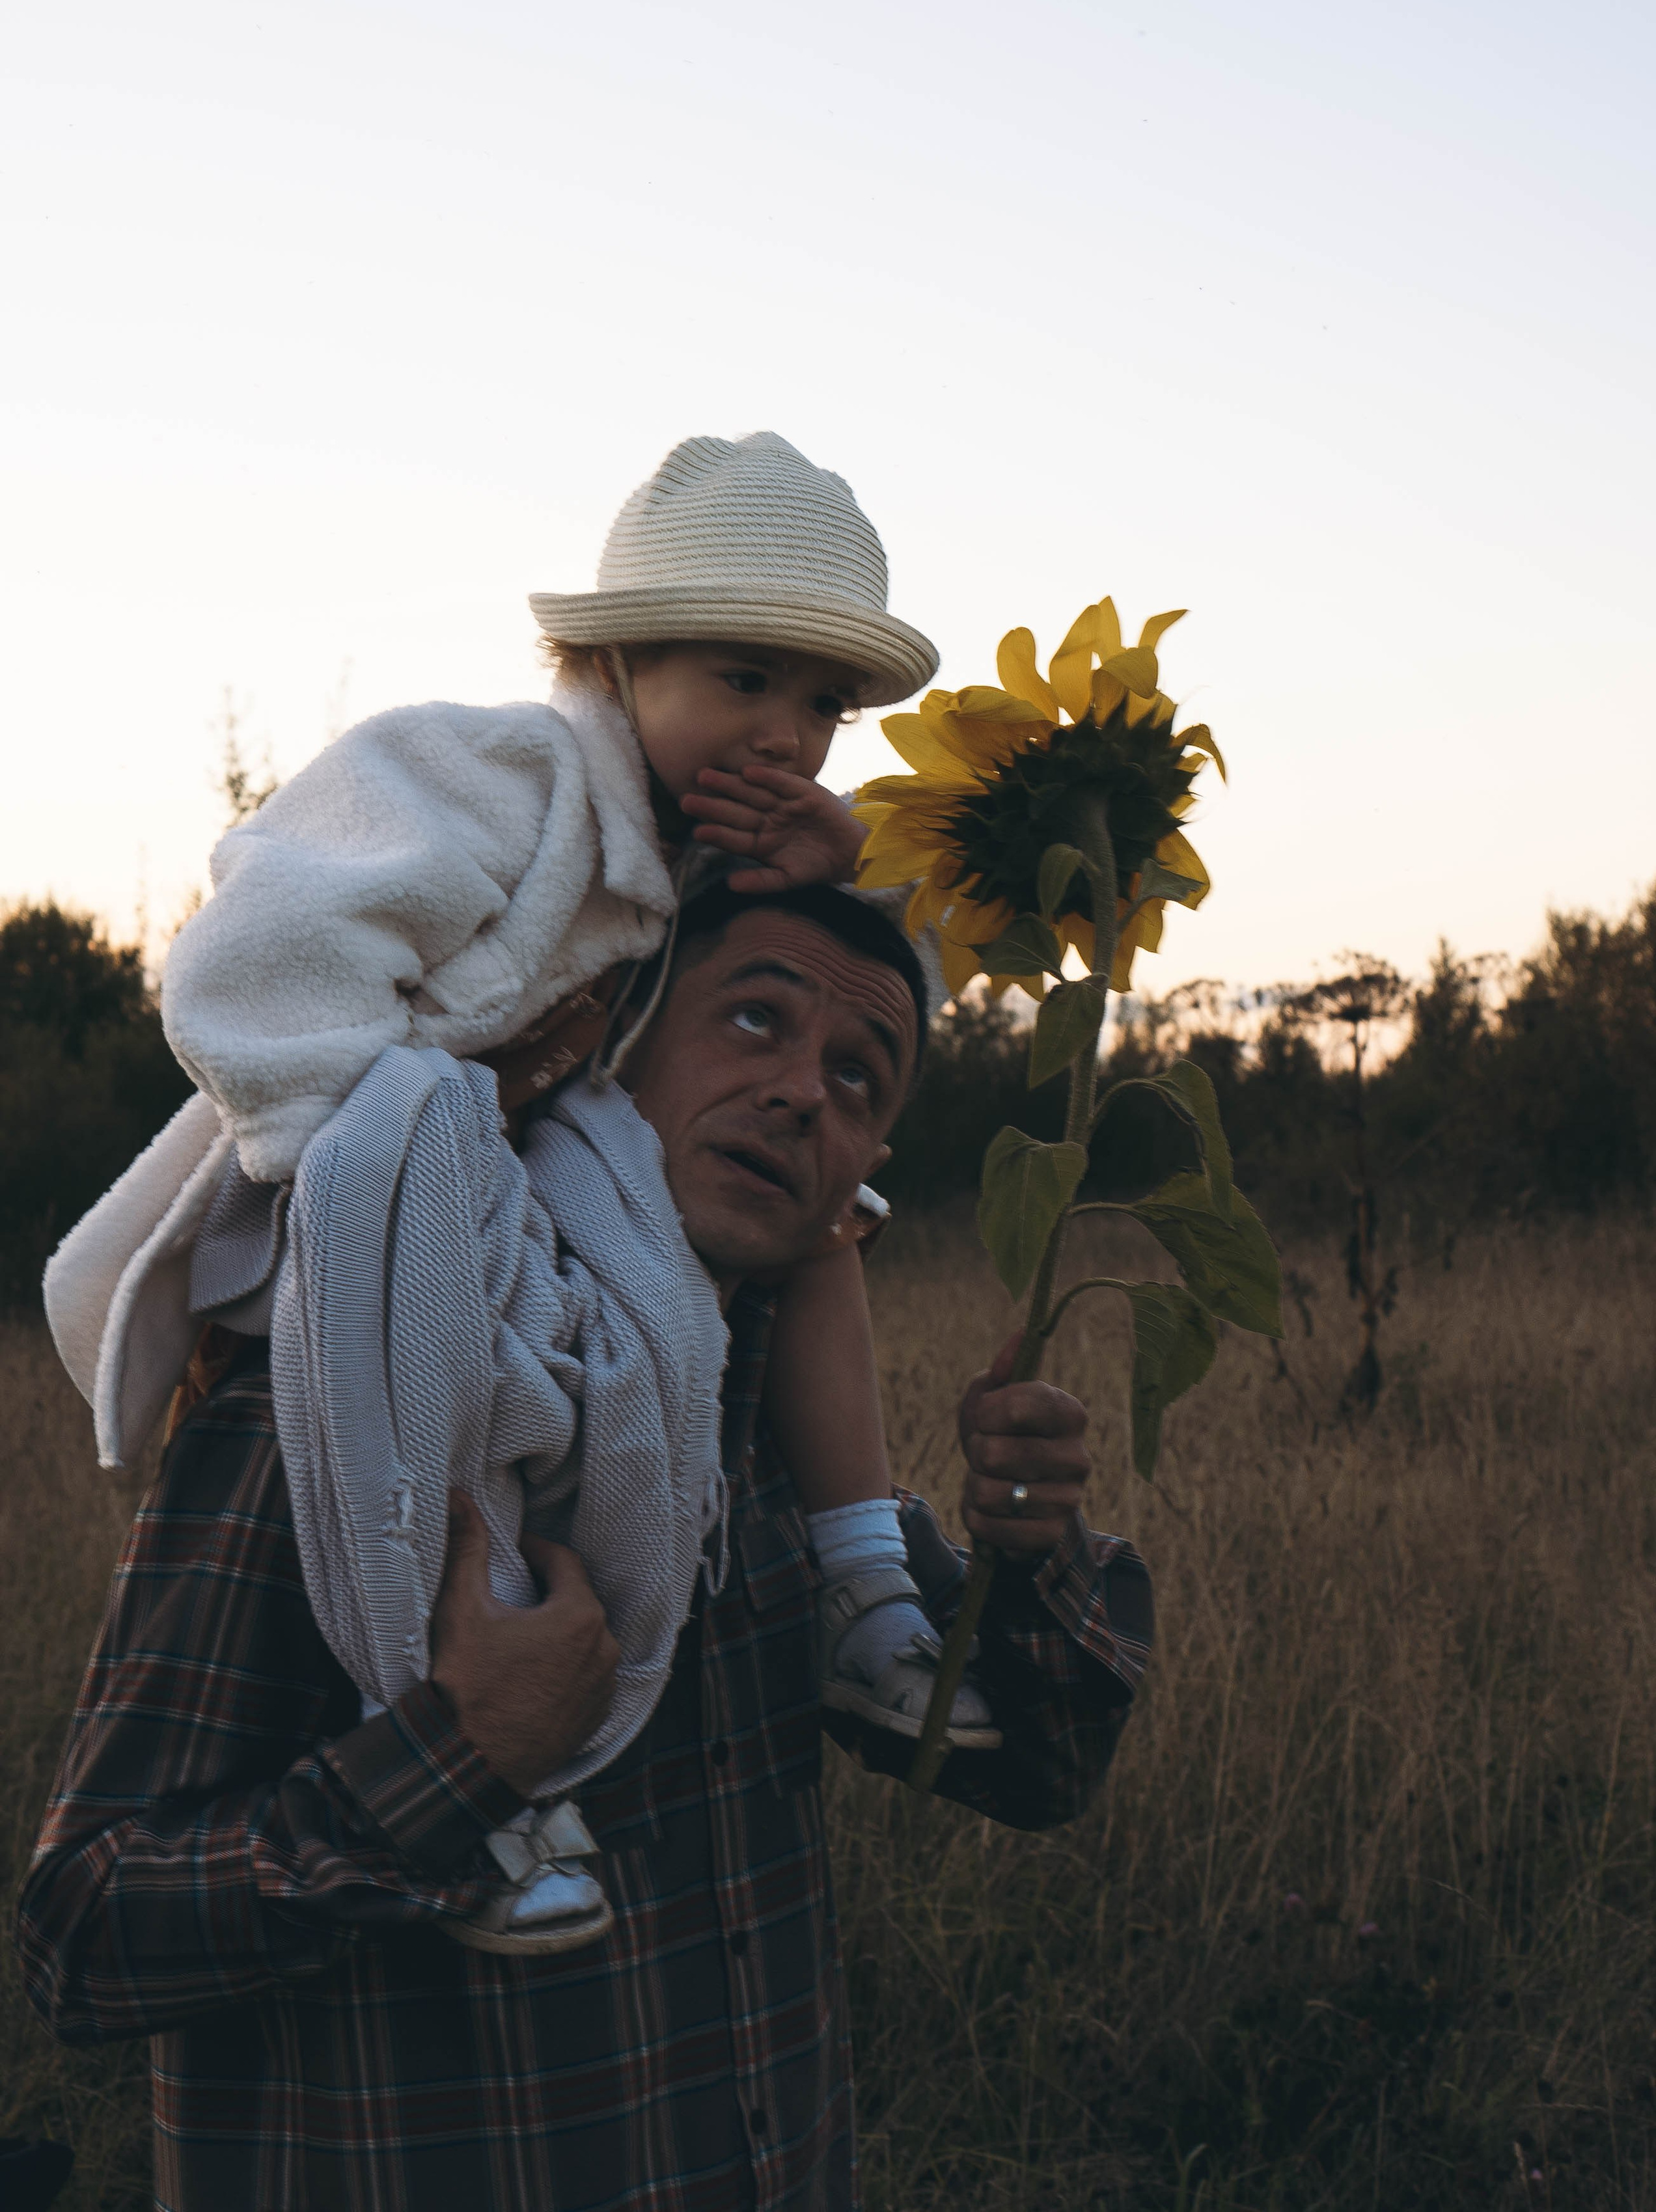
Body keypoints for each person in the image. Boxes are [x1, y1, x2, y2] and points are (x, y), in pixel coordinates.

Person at [18, 884, 1155, 2212]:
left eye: (859, 1075)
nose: (804, 1093)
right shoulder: (340, 1407)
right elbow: (84, 1937)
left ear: (862, 1172)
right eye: (754, 1019)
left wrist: (1028, 1548)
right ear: (617, 1049)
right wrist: (464, 1760)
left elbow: (1041, 1771)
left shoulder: (778, 1460)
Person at [41, 430, 994, 1959]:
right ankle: (472, 1755)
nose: (785, 737)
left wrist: (848, 864)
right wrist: (401, 1137)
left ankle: (863, 1583)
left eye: (822, 705)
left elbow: (858, 998)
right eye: (744, 679)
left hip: (549, 1187)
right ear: (616, 662)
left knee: (823, 1218)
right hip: (367, 1169)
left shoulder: (717, 855)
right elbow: (260, 958)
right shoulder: (491, 777)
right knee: (449, 1372)